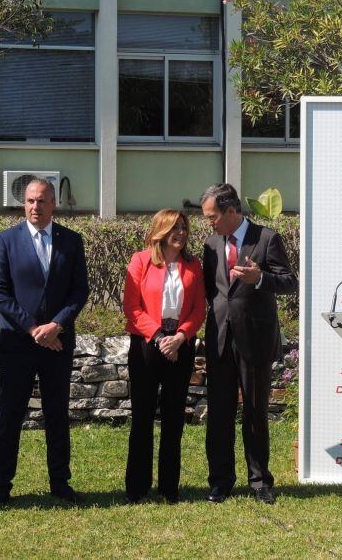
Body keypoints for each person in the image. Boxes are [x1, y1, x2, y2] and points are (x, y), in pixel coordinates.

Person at [0, 178, 89, 505]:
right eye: (30, 201)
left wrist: (57, 325)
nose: (35, 206)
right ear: (24, 204)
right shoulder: (5, 241)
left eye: (41, 201)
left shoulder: (72, 242)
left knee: (57, 413)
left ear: (53, 203)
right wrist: (35, 329)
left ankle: (60, 482)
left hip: (58, 344)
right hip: (17, 342)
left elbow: (79, 291)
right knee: (10, 415)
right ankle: (1, 487)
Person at [200, 184, 297, 505]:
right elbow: (212, 292)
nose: (209, 223)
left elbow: (288, 282)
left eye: (213, 216)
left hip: (254, 338)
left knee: (254, 412)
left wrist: (261, 279)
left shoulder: (266, 238)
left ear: (231, 211)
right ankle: (220, 481)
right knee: (219, 413)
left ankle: (259, 481)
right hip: (219, 339)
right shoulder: (211, 244)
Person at [122, 209, 205, 504]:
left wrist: (181, 337)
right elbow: (132, 308)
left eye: (184, 227)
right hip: (147, 344)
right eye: (174, 228)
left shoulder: (193, 265)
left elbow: (198, 309)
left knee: (174, 420)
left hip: (180, 346)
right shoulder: (140, 261)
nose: (180, 232)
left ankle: (170, 488)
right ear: (161, 230)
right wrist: (159, 338)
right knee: (142, 418)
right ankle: (137, 488)